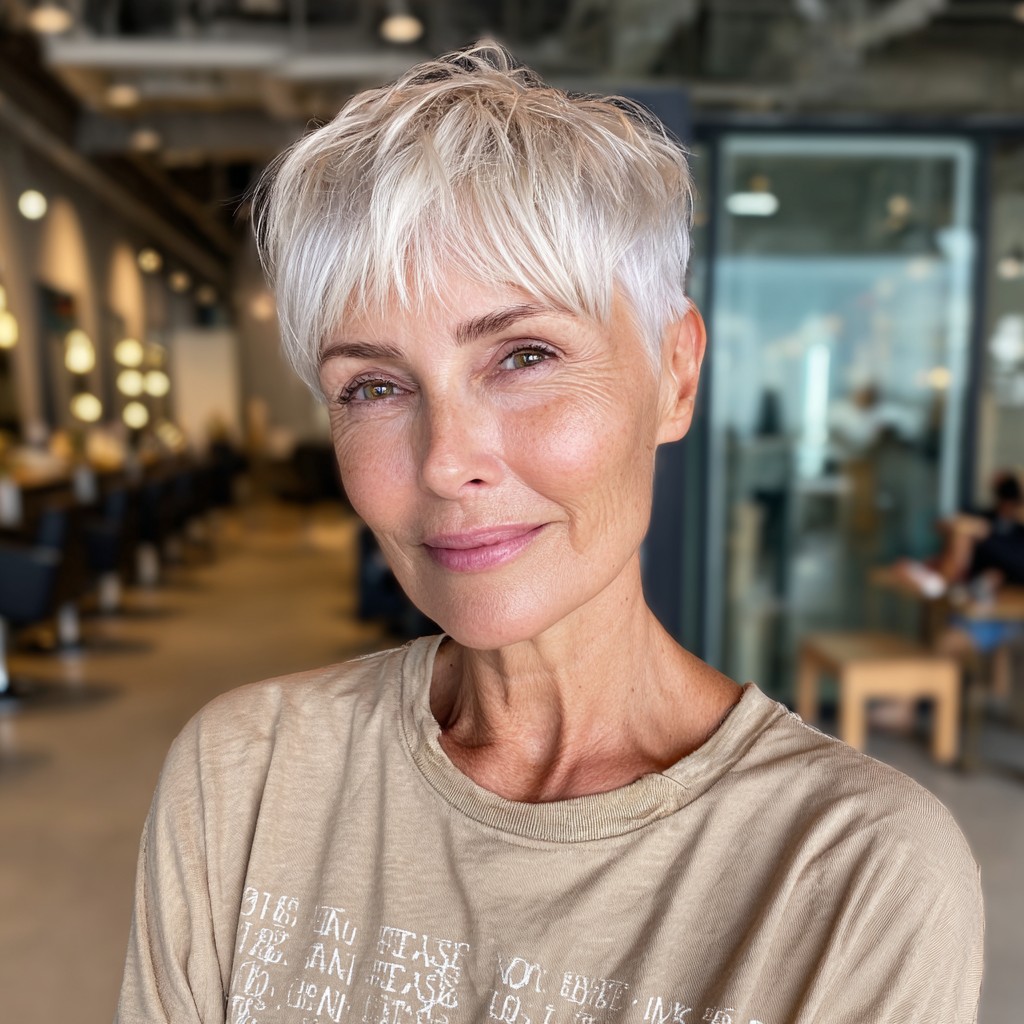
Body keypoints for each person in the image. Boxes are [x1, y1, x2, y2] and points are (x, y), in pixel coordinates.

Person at [115, 44, 983, 1024]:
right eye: (374, 386)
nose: (446, 461)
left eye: (523, 356)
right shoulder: (247, 774)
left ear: (676, 372)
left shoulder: (851, 874)